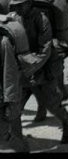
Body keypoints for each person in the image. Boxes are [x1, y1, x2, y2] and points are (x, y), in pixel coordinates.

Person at [8, 0, 68, 143]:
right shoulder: (14, 18)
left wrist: (32, 67)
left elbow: (45, 49)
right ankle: (16, 138)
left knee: (52, 104)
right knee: (14, 106)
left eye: (21, 5)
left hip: (43, 68)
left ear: (29, 3)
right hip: (24, 69)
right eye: (15, 5)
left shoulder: (41, 19)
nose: (17, 8)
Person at [0, 24, 27, 152]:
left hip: (2, 98)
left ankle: (23, 150)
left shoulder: (3, 43)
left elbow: (9, 74)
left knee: (4, 135)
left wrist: (10, 103)